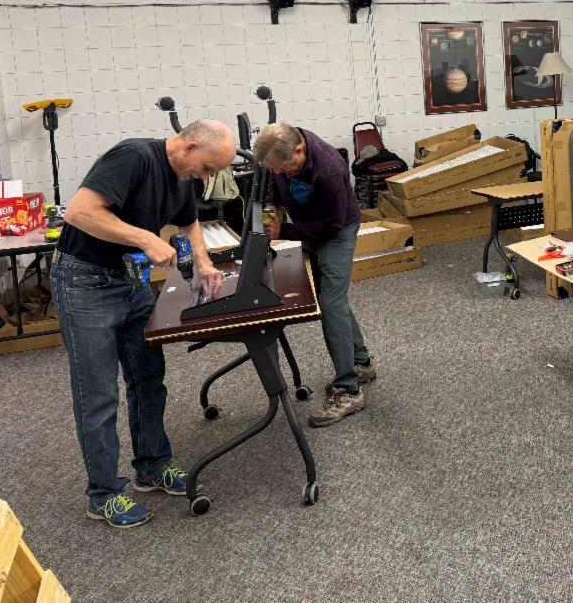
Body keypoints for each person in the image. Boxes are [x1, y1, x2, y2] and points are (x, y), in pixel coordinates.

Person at [52, 120, 236, 528]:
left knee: (148, 377)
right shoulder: (134, 156)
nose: (206, 178)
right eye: (207, 168)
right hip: (84, 283)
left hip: (129, 281)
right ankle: (102, 494)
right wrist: (146, 239)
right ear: (188, 147)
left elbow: (188, 223)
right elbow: (81, 212)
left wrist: (203, 262)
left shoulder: (183, 176)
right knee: (98, 394)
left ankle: (152, 467)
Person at [254, 122, 374, 427]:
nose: (284, 173)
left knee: (330, 303)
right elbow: (273, 183)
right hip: (310, 223)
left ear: (299, 150)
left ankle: (349, 389)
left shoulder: (330, 169)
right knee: (330, 296)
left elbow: (331, 227)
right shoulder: (279, 154)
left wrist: (285, 230)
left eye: (287, 168)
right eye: (278, 169)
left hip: (338, 230)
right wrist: (271, 209)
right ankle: (360, 361)